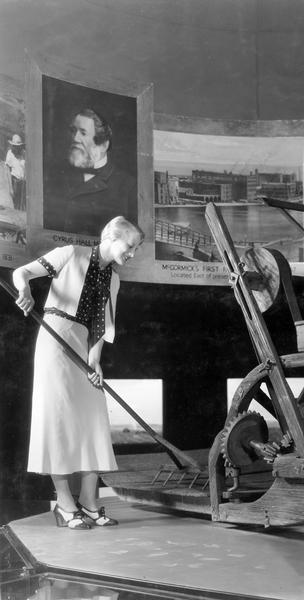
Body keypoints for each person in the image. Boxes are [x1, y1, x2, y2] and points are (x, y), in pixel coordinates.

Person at [12, 216, 144, 529]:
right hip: (55, 338)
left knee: (92, 419)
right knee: (58, 419)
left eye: (136, 248)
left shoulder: (114, 280)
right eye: (130, 246)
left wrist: (95, 359)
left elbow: (102, 325)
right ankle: (65, 503)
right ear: (111, 237)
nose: (133, 253)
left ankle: (89, 499)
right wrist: (25, 290)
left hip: (84, 344)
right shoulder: (71, 254)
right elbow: (22, 272)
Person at [43, 108, 137, 236]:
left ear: (103, 145)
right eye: (73, 131)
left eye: (83, 132)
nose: (75, 138)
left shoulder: (127, 186)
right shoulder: (54, 173)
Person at [5, 133, 26, 211]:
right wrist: (10, 187)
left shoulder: (24, 153)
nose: (17, 148)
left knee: (24, 204)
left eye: (19, 146)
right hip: (15, 181)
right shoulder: (10, 154)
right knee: (16, 203)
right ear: (13, 146)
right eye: (16, 146)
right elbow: (7, 171)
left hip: (24, 181)